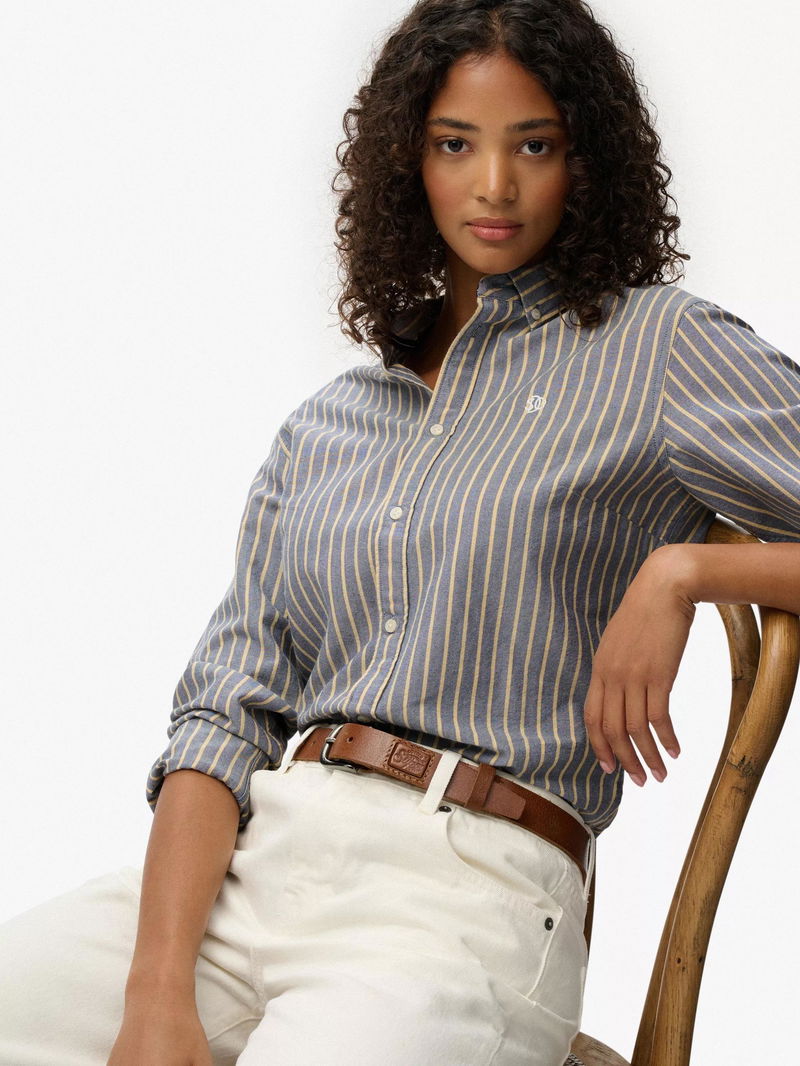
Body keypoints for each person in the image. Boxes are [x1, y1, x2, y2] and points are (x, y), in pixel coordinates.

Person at [2, 0, 800, 1064]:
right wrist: (156, 993)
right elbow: (223, 718)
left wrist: (683, 569)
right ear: (404, 163)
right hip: (258, 863)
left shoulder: (655, 349)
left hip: (464, 896)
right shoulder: (327, 425)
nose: (494, 186)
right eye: (454, 145)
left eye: (534, 146)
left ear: (587, 161)